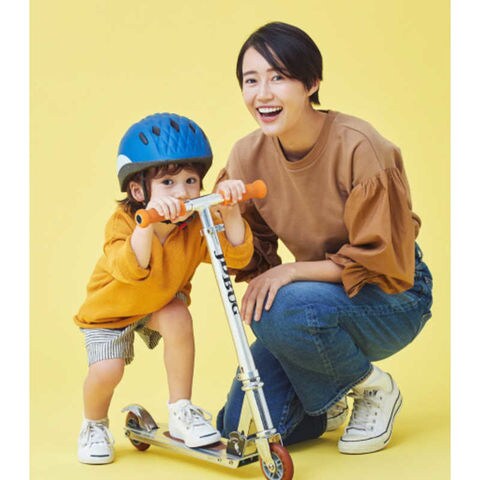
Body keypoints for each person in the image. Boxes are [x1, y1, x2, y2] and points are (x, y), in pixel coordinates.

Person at [215, 22, 433, 455]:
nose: (262, 94)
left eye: (278, 77)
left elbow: (381, 259)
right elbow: (254, 259)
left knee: (277, 307)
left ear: (311, 83)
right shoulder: (246, 155)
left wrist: (293, 272)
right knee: (239, 426)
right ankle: (327, 404)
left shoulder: (360, 146)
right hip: (316, 300)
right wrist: (230, 216)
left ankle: (373, 389)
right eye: (251, 80)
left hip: (393, 293)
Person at [74, 112, 253, 464]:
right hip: (111, 312)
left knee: (178, 316)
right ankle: (93, 424)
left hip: (158, 303)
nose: (183, 192)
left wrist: (230, 211)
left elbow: (235, 258)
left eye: (190, 180)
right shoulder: (123, 223)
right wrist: (147, 224)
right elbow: (131, 269)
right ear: (138, 191)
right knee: (108, 371)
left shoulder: (195, 224)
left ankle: (181, 409)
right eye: (168, 182)